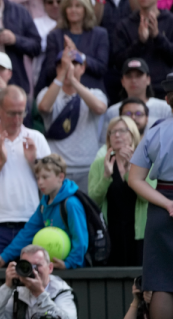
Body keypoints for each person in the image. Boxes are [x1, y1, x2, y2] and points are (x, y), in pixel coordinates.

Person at [0, 86, 51, 261]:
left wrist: (34, 162)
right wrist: (0, 163)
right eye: (12, 113)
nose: (18, 119)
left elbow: (51, 190)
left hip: (30, 223)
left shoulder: (37, 138)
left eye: (22, 112)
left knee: (32, 285)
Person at [0, 154, 88, 270]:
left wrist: (69, 264)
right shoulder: (43, 205)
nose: (40, 182)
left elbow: (80, 240)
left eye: (45, 177)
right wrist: (4, 257)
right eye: (38, 178)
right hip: (52, 268)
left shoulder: (71, 204)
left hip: (75, 271)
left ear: (61, 177)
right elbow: (28, 232)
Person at [127, 73, 173, 319]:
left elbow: (134, 180)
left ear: (167, 99)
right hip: (164, 205)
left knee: (162, 285)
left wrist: (167, 203)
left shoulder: (155, 132)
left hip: (162, 207)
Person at [37, 50, 108, 192]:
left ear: (83, 68)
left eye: (75, 64)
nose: (69, 67)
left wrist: (74, 81)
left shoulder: (95, 93)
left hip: (87, 168)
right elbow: (44, 107)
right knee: (55, 214)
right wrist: (62, 76)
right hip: (55, 169)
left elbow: (100, 108)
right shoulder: (46, 92)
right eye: (63, 65)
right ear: (57, 69)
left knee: (84, 213)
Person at [88, 115, 149, 266]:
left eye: (122, 130)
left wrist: (130, 171)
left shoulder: (146, 161)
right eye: (112, 132)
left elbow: (148, 197)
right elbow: (93, 202)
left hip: (139, 234)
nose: (116, 135)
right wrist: (106, 177)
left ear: (133, 134)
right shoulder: (99, 165)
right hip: (111, 233)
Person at [35, 0, 109, 97]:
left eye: (78, 6)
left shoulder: (100, 34)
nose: (73, 10)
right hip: (61, 94)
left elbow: (101, 68)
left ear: (86, 9)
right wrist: (63, 59)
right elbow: (49, 71)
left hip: (91, 93)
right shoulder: (54, 36)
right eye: (69, 6)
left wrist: (79, 55)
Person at [113, 0, 173, 98]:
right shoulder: (124, 25)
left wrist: (157, 36)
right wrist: (140, 42)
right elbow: (118, 63)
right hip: (134, 93)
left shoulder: (170, 21)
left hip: (165, 91)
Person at [0, 245, 77, 319]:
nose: (33, 271)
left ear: (50, 268)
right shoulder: (18, 292)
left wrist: (40, 294)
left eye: (37, 265)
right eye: (27, 266)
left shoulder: (61, 292)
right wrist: (7, 287)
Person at [102, 59, 172, 139]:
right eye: (129, 76)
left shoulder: (165, 108)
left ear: (148, 79)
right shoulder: (112, 111)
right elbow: (105, 141)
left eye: (139, 75)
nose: (134, 80)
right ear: (122, 81)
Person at [31, 0, 63, 88]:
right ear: (44, 5)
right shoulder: (36, 23)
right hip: (42, 74)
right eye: (50, 2)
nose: (55, 5)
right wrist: (56, 30)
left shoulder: (74, 22)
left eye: (59, 1)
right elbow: (37, 47)